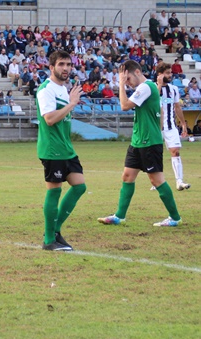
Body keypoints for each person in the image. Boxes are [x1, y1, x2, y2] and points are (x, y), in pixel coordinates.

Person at [98, 60, 183, 227]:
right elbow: (161, 111)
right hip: (138, 141)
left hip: (148, 142)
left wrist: (121, 86)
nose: (127, 82)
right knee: (128, 176)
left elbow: (124, 105)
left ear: (137, 72)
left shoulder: (146, 87)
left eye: (128, 78)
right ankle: (119, 216)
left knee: (156, 180)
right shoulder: (148, 89)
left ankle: (175, 217)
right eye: (125, 80)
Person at [35, 51, 86, 251]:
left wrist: (71, 102)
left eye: (68, 64)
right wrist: (72, 104)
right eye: (61, 64)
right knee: (54, 191)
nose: (65, 68)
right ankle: (49, 240)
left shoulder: (65, 90)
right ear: (52, 67)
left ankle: (55, 230)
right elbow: (49, 119)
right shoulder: (46, 90)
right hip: (52, 149)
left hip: (66, 148)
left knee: (80, 186)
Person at [153, 63, 191, 191]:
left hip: (170, 127)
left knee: (175, 151)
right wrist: (158, 85)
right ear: (160, 74)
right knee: (154, 154)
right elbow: (151, 102)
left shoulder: (173, 89)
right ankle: (156, 182)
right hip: (155, 127)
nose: (170, 75)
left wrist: (183, 124)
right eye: (167, 73)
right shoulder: (152, 88)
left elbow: (177, 107)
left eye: (171, 73)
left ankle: (179, 181)